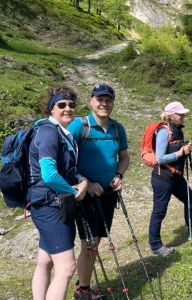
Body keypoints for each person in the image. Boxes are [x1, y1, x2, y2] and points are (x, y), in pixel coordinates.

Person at [68, 84, 130, 300]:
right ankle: (82, 292)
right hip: (86, 196)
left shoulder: (117, 128)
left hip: (107, 195)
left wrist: (118, 176)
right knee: (89, 245)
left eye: (108, 100)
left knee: (96, 242)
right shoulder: (79, 126)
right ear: (91, 101)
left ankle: (82, 284)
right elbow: (66, 162)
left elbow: (124, 157)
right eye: (100, 99)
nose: (104, 103)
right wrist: (86, 181)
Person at [27, 86, 88, 300]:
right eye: (61, 105)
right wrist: (74, 191)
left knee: (45, 261)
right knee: (67, 268)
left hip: (45, 203)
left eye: (71, 104)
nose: (68, 108)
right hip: (50, 206)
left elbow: (67, 169)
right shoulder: (48, 132)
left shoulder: (63, 133)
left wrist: (81, 180)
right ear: (51, 109)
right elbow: (50, 175)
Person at [149, 101, 192, 257]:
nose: (183, 116)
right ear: (170, 116)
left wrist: (186, 150)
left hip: (176, 176)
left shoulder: (178, 131)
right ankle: (155, 246)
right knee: (159, 211)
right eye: (179, 114)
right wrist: (180, 152)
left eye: (183, 114)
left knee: (191, 201)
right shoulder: (164, 132)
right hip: (162, 177)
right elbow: (160, 158)